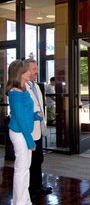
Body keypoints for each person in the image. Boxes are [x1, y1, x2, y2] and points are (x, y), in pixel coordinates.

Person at [6, 59, 43, 205]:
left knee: (25, 169)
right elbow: (20, 120)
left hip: (24, 132)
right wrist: (30, 141)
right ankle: (20, 202)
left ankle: (24, 200)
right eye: (27, 70)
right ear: (20, 73)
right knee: (21, 170)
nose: (30, 72)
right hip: (20, 134)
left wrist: (35, 116)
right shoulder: (15, 94)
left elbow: (23, 114)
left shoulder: (22, 90)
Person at [24, 58, 53, 200]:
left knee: (38, 159)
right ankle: (30, 190)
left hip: (39, 128)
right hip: (29, 130)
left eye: (36, 68)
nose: (37, 71)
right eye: (34, 69)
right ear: (25, 70)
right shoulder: (23, 87)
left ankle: (38, 186)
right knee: (30, 162)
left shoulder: (36, 86)